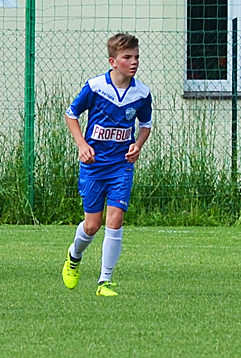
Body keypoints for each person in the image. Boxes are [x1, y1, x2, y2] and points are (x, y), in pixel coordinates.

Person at [61, 33, 152, 297]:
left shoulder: (142, 93)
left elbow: (145, 124)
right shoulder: (96, 87)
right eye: (127, 57)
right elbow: (71, 115)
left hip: (121, 166)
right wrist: (82, 145)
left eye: (136, 57)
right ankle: (74, 256)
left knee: (116, 219)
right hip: (94, 165)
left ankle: (105, 282)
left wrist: (138, 145)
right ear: (113, 61)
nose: (134, 62)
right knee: (92, 225)